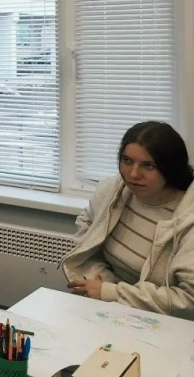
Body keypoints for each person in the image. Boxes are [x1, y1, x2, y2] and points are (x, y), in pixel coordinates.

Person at [63, 121, 194, 319]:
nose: (133, 174)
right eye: (127, 160)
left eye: (148, 165)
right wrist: (102, 280)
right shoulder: (113, 190)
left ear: (170, 167)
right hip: (109, 307)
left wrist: (112, 292)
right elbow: (87, 233)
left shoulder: (187, 217)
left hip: (164, 322)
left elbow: (189, 299)